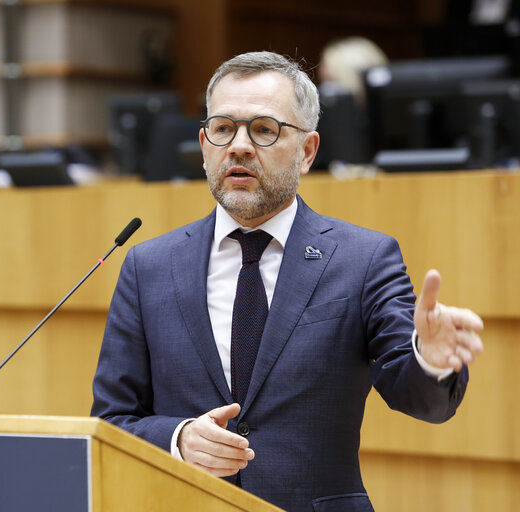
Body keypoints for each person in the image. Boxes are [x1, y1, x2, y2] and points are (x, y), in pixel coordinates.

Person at [90, 51, 484, 512]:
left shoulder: (363, 259)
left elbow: (423, 402)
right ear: (203, 147)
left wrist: (431, 362)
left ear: (308, 151)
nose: (238, 146)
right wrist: (177, 439)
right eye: (223, 128)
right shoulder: (148, 266)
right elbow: (111, 422)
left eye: (264, 129)